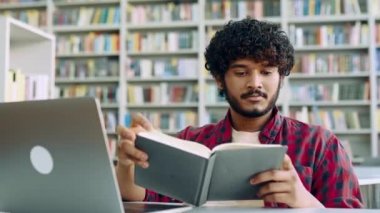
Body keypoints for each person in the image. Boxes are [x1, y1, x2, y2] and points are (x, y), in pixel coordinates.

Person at [116, 17, 363, 208]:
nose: (255, 83)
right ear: (220, 80)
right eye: (241, 72)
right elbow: (143, 198)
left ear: (281, 77)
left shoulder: (320, 144)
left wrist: (304, 202)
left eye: (266, 72)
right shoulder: (190, 142)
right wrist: (126, 165)